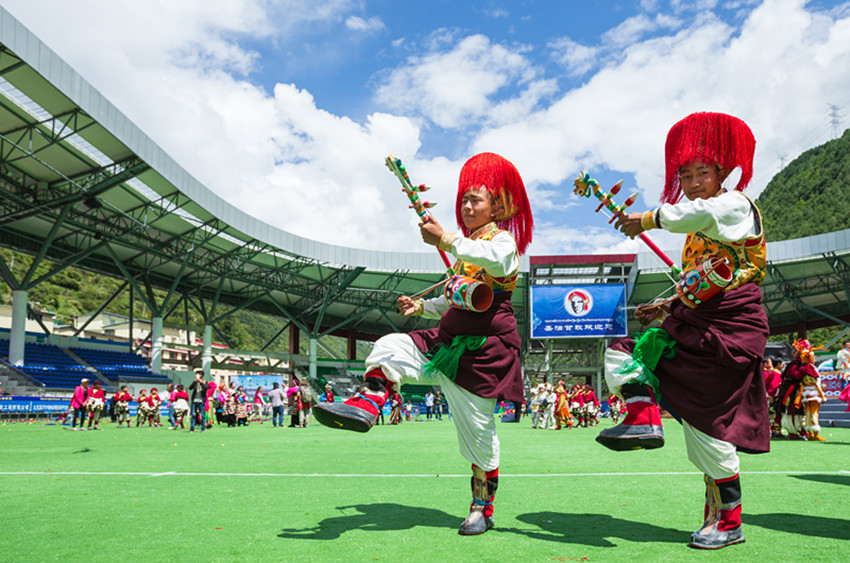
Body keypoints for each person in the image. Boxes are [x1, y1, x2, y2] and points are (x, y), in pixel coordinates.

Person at [314, 152, 533, 535]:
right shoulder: (465, 253)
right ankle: (368, 402)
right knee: (391, 346)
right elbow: (455, 300)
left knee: (479, 437)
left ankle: (482, 508)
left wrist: (446, 239)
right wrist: (421, 306)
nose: (466, 207)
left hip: (483, 353)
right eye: (464, 200)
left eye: (475, 200)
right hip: (444, 341)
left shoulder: (502, 243)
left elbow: (494, 261)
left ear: (497, 206)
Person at [594, 112, 768, 550]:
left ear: (722, 174)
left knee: (711, 430)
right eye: (685, 176)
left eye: (702, 173)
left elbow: (700, 214)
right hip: (696, 323)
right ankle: (642, 417)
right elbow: (702, 281)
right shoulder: (698, 231)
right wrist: (667, 305)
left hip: (729, 331)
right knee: (624, 351)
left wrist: (647, 219)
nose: (692, 183)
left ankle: (729, 523)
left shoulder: (735, 205)